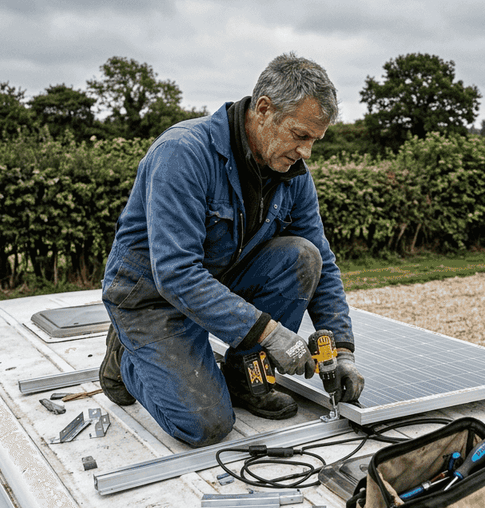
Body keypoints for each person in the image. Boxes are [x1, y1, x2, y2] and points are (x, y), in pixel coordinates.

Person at [98, 52, 364, 447]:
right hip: (150, 297)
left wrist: (342, 351)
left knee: (303, 256)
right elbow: (175, 273)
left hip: (215, 284)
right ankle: (126, 358)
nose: (306, 152)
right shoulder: (183, 153)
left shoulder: (292, 175)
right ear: (263, 109)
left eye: (315, 141)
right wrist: (270, 333)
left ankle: (245, 378)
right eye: (300, 135)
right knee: (206, 425)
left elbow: (322, 261)